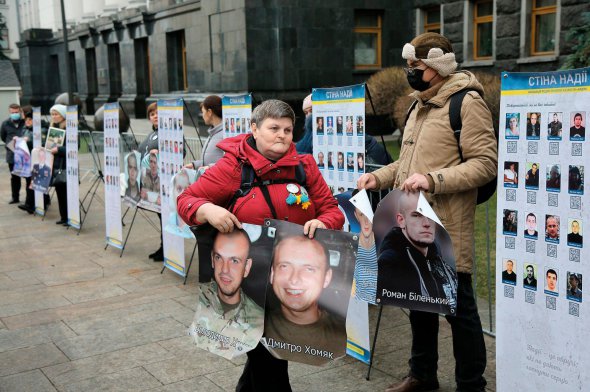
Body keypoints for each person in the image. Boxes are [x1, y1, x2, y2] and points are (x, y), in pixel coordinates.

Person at [356, 32, 496, 392]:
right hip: (411, 222)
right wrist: (379, 176)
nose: (410, 72)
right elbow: (409, 162)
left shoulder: (467, 102)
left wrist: (433, 181)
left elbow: (485, 164)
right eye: (408, 65)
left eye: (415, 66)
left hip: (447, 227)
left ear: (437, 66)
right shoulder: (419, 104)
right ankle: (422, 375)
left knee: (459, 310)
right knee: (416, 300)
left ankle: (471, 383)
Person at [177, 99, 344, 391]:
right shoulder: (233, 166)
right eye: (274, 128)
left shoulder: (305, 166)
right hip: (250, 282)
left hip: (290, 280)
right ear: (254, 128)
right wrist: (209, 211)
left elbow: (332, 210)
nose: (282, 135)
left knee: (269, 351)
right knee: (270, 356)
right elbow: (187, 201)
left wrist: (324, 223)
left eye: (288, 130)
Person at [264, 235, 346, 365]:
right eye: (284, 266)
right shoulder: (252, 327)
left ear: (326, 278)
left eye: (309, 269)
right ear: (272, 274)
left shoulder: (344, 337)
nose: (294, 279)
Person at [377, 191, 457, 313]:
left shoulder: (437, 257)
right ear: (401, 220)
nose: (426, 223)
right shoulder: (389, 262)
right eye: (417, 215)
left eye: (431, 216)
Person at [189, 230, 264, 359]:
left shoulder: (257, 317)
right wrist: (204, 209)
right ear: (212, 259)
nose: (225, 269)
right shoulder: (204, 294)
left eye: (234, 261)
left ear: (247, 267)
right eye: (219, 258)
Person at [138, 102, 164, 261]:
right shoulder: (151, 135)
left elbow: (180, 151)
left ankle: (166, 248)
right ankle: (163, 247)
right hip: (151, 182)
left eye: (157, 113)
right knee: (160, 214)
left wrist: (161, 152)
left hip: (163, 182)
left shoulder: (171, 132)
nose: (155, 116)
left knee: (165, 215)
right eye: (152, 114)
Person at [351, 189, 377, 303]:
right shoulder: (351, 246)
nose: (366, 221)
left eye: (369, 215)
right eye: (362, 215)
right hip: (357, 301)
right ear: (356, 215)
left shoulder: (384, 247)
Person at [185, 95, 224, 171]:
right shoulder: (212, 133)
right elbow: (210, 159)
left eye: (203, 112)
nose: (202, 115)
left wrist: (210, 167)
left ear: (209, 112)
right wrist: (194, 165)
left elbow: (230, 162)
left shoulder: (224, 134)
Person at [47, 105, 69, 225]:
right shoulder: (54, 128)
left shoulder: (70, 128)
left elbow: (75, 148)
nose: (54, 117)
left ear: (63, 115)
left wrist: (59, 150)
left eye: (56, 114)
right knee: (60, 191)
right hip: (56, 164)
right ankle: (64, 217)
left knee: (67, 193)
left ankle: (72, 218)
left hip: (66, 165)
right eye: (52, 114)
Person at [1, 103, 25, 204]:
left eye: (16, 112)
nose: (14, 114)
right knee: (14, 177)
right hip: (12, 155)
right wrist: (10, 145)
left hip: (25, 155)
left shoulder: (25, 122)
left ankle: (34, 199)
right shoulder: (5, 124)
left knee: (30, 177)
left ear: (20, 112)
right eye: (12, 112)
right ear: (9, 112)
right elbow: (3, 136)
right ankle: (15, 198)